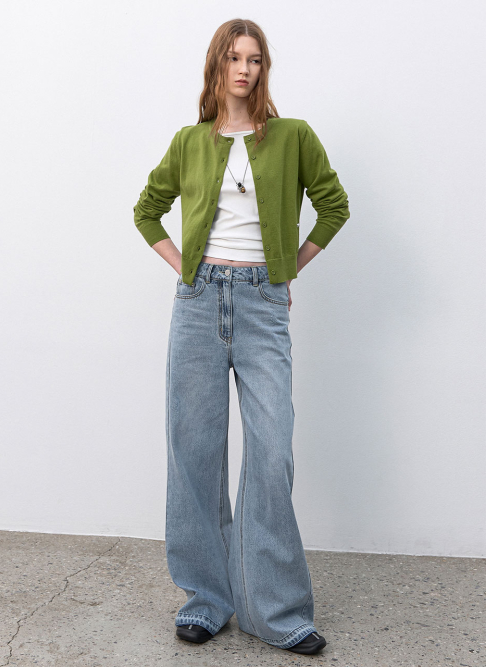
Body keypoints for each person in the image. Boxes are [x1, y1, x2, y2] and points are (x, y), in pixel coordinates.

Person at [133, 18, 350, 656]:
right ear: (217, 66)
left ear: (263, 69)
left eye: (255, 59)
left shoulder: (292, 136)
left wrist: (287, 270)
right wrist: (186, 269)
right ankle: (206, 599)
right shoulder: (189, 141)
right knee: (194, 451)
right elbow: (146, 210)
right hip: (198, 304)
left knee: (272, 451)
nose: (245, 69)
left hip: (262, 304)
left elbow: (334, 205)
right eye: (234, 58)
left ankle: (274, 609)